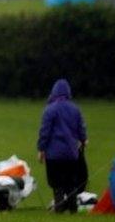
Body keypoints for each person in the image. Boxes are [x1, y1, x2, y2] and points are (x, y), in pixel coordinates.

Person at [37, 79, 88, 214]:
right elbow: (81, 128)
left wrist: (41, 149)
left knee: (57, 183)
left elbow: (44, 132)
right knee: (71, 183)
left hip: (53, 155)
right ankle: (73, 208)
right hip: (72, 154)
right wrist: (83, 140)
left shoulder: (49, 110)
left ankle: (59, 208)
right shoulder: (75, 109)